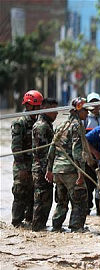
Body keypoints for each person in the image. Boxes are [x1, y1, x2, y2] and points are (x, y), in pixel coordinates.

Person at [46, 97, 89, 232]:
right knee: (80, 199)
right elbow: (77, 152)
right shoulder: (77, 126)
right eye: (86, 111)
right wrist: (80, 174)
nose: (87, 114)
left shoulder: (60, 125)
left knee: (61, 201)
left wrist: (49, 169)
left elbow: (52, 148)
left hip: (58, 170)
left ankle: (56, 226)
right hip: (70, 170)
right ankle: (77, 227)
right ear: (78, 110)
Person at [11, 90, 43, 227]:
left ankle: (30, 221)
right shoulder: (20, 123)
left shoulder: (39, 122)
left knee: (33, 194)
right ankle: (16, 222)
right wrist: (22, 168)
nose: (39, 109)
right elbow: (16, 148)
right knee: (20, 193)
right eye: (37, 107)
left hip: (34, 165)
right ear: (29, 106)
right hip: (22, 166)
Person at [31, 98, 58, 231]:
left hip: (45, 168)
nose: (56, 113)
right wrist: (48, 170)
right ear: (46, 109)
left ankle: (40, 228)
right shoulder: (42, 126)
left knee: (46, 200)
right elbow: (42, 153)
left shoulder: (47, 124)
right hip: (41, 169)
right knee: (41, 200)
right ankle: (37, 229)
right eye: (53, 110)